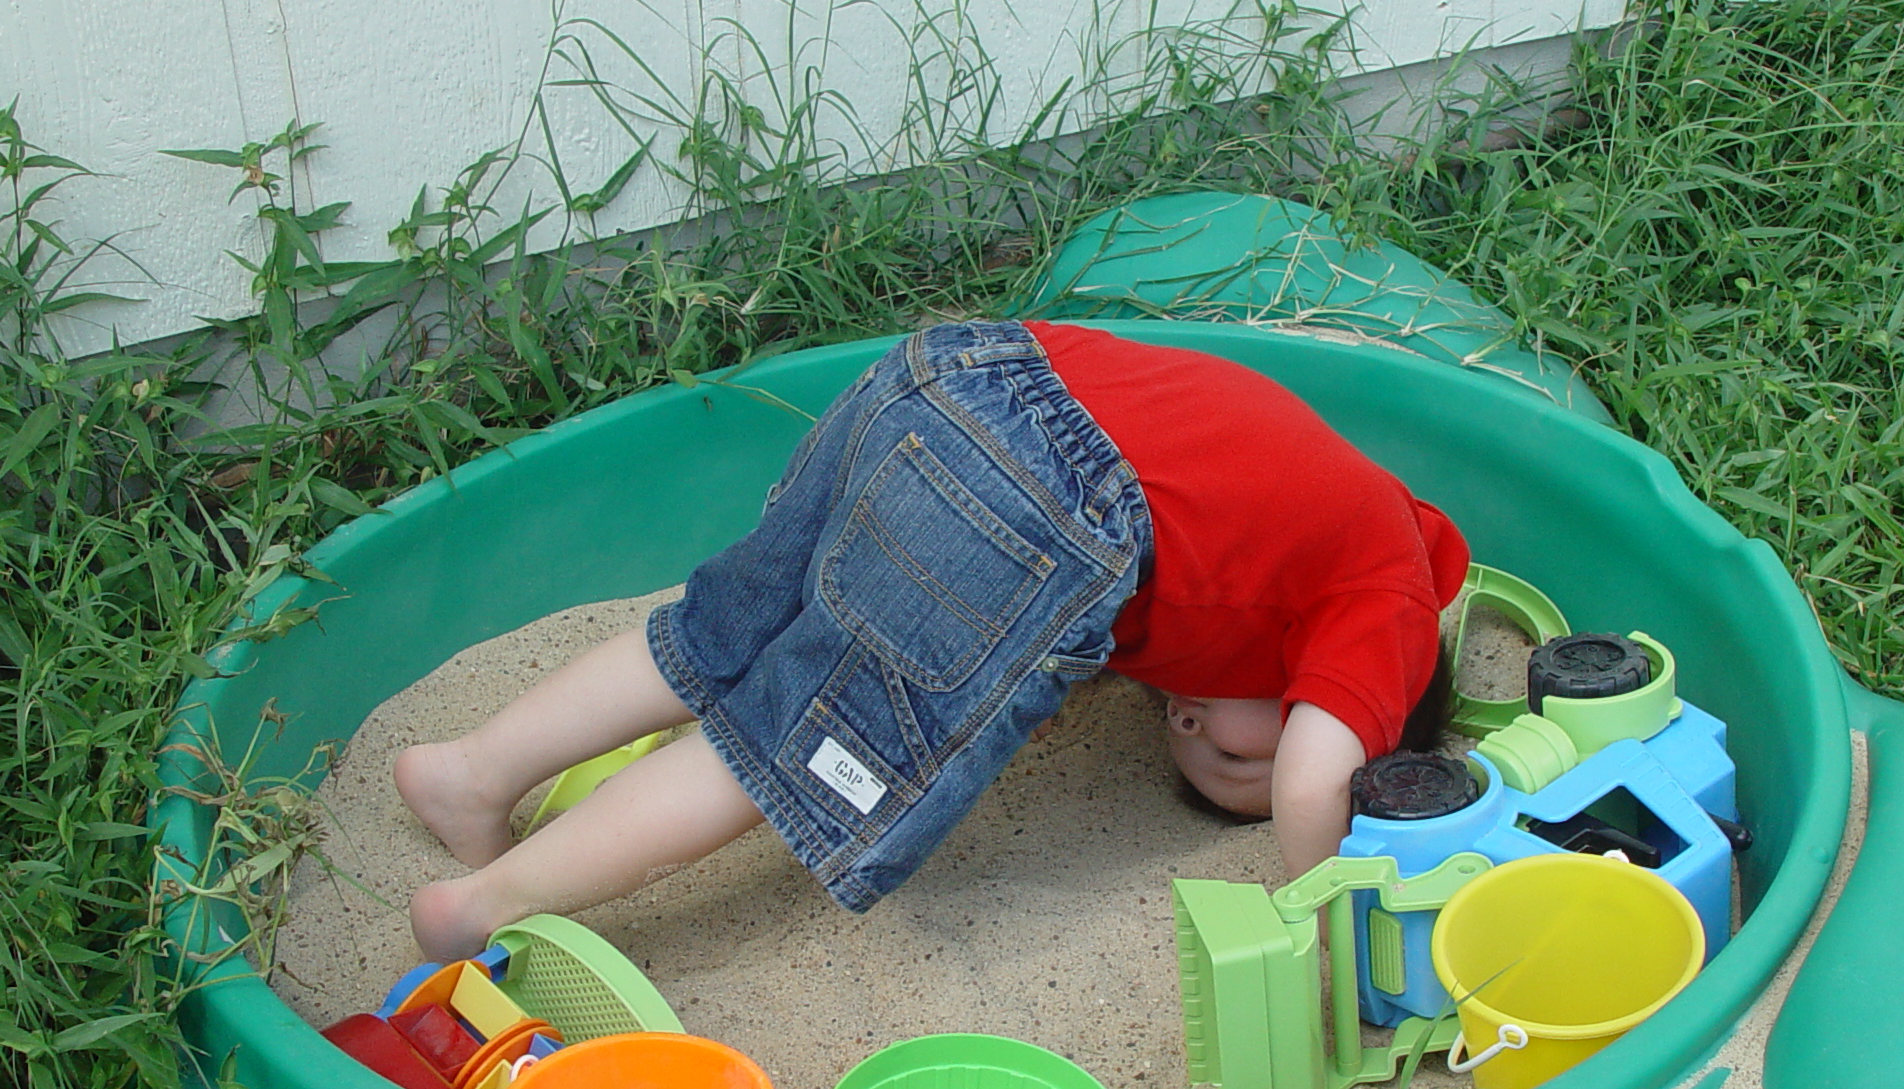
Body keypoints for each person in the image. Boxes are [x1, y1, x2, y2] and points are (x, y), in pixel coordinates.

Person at [394, 319, 1467, 958]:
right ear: (1375, 705)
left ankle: (470, 772)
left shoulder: (1306, 526)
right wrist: (1322, 914)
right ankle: (482, 908)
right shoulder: (1391, 601)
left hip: (956, 370)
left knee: (725, 630)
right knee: (787, 751)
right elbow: (1320, 777)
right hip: (1041, 489)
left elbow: (1170, 537)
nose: (1185, 719)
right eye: (1240, 753)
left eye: (1182, 744)